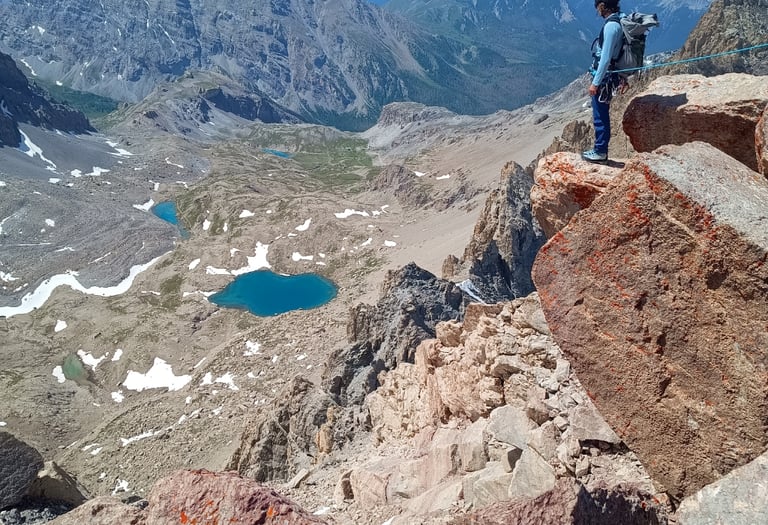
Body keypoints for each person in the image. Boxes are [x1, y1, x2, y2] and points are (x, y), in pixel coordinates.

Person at [582, 0, 624, 163]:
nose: (596, 9)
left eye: (597, 5)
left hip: (604, 78)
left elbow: (605, 59)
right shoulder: (619, 20)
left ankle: (600, 151)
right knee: (601, 112)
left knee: (600, 114)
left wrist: (596, 83)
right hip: (610, 76)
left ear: (603, 6)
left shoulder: (611, 26)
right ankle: (600, 150)